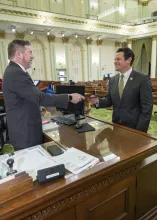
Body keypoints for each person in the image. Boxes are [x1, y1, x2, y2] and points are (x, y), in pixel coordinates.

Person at [2, 39, 85, 151]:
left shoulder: (13, 71)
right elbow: (40, 97)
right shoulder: (16, 73)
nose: (33, 56)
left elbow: (26, 98)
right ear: (18, 54)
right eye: (30, 52)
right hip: (25, 133)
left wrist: (41, 108)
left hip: (23, 129)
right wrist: (70, 97)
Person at [89, 47, 153, 133]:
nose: (115, 62)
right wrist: (97, 101)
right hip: (116, 126)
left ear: (129, 60)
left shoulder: (142, 79)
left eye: (118, 59)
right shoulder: (113, 80)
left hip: (134, 128)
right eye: (114, 59)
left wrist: (140, 132)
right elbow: (109, 100)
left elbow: (147, 108)